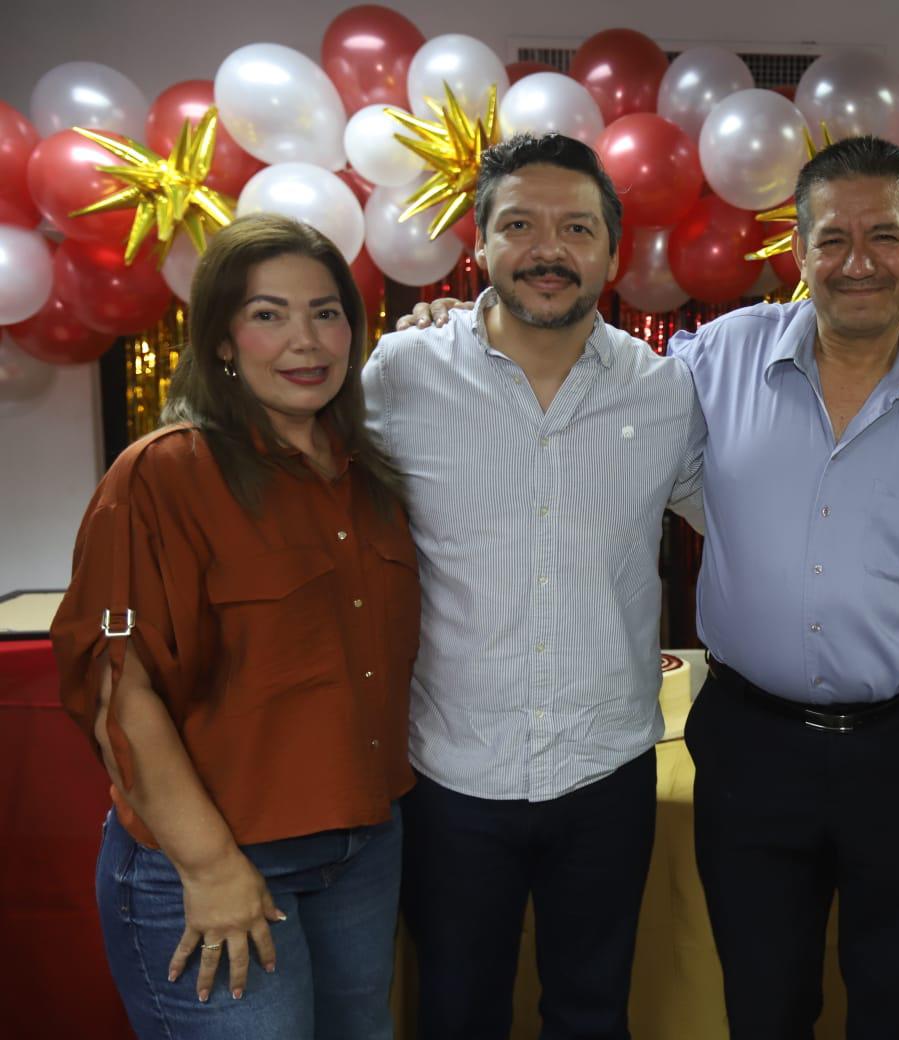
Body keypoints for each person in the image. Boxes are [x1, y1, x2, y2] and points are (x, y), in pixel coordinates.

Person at [401, 134, 899, 1039]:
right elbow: (578, 366)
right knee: (761, 1003)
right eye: (832, 239)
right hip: (752, 745)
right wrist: (456, 323)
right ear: (798, 252)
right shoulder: (712, 361)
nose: (859, 262)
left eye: (885, 236)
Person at [363, 132, 704, 1040]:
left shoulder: (665, 393)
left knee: (592, 1014)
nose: (548, 250)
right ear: (479, 243)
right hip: (451, 774)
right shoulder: (401, 375)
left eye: (577, 228)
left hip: (606, 771)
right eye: (520, 225)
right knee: (455, 1012)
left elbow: (746, 521)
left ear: (612, 254)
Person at [50, 213, 418, 1039]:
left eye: (326, 313)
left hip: (363, 849)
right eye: (268, 314)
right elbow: (120, 694)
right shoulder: (162, 476)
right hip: (217, 860)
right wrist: (211, 866)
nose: (305, 340)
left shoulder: (371, 478)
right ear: (222, 339)